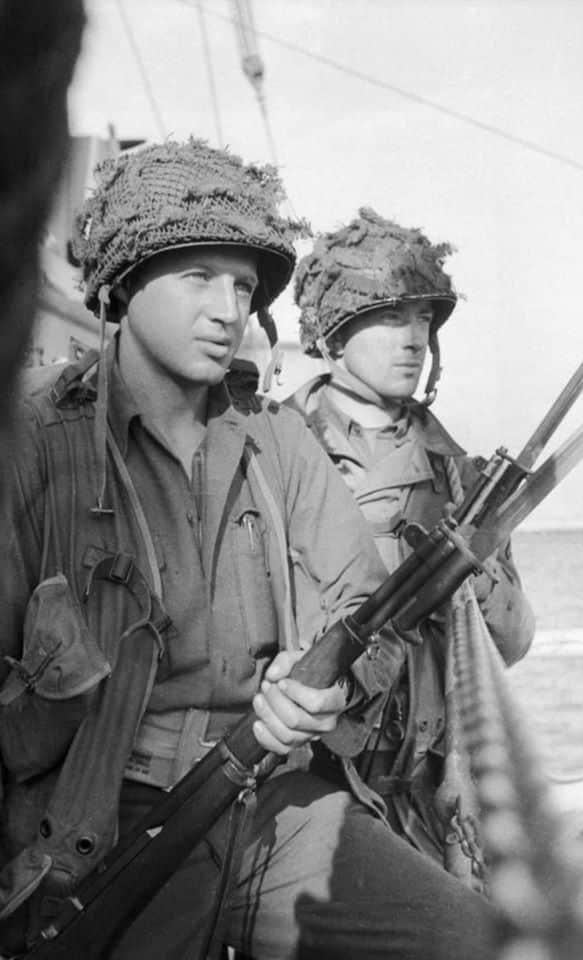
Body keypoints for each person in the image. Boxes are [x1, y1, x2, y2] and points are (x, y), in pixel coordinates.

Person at [0, 143, 499, 959]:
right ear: (124, 282)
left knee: (477, 939)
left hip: (269, 802)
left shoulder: (276, 440)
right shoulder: (33, 441)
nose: (228, 307)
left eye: (242, 285)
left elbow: (367, 619)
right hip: (91, 829)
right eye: (198, 275)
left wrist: (321, 683)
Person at [287, 207, 536, 885]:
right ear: (334, 332)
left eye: (425, 319)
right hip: (307, 788)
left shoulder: (458, 474)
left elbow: (511, 644)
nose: (414, 339)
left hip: (429, 797)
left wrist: (471, 566)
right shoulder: (274, 452)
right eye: (392, 316)